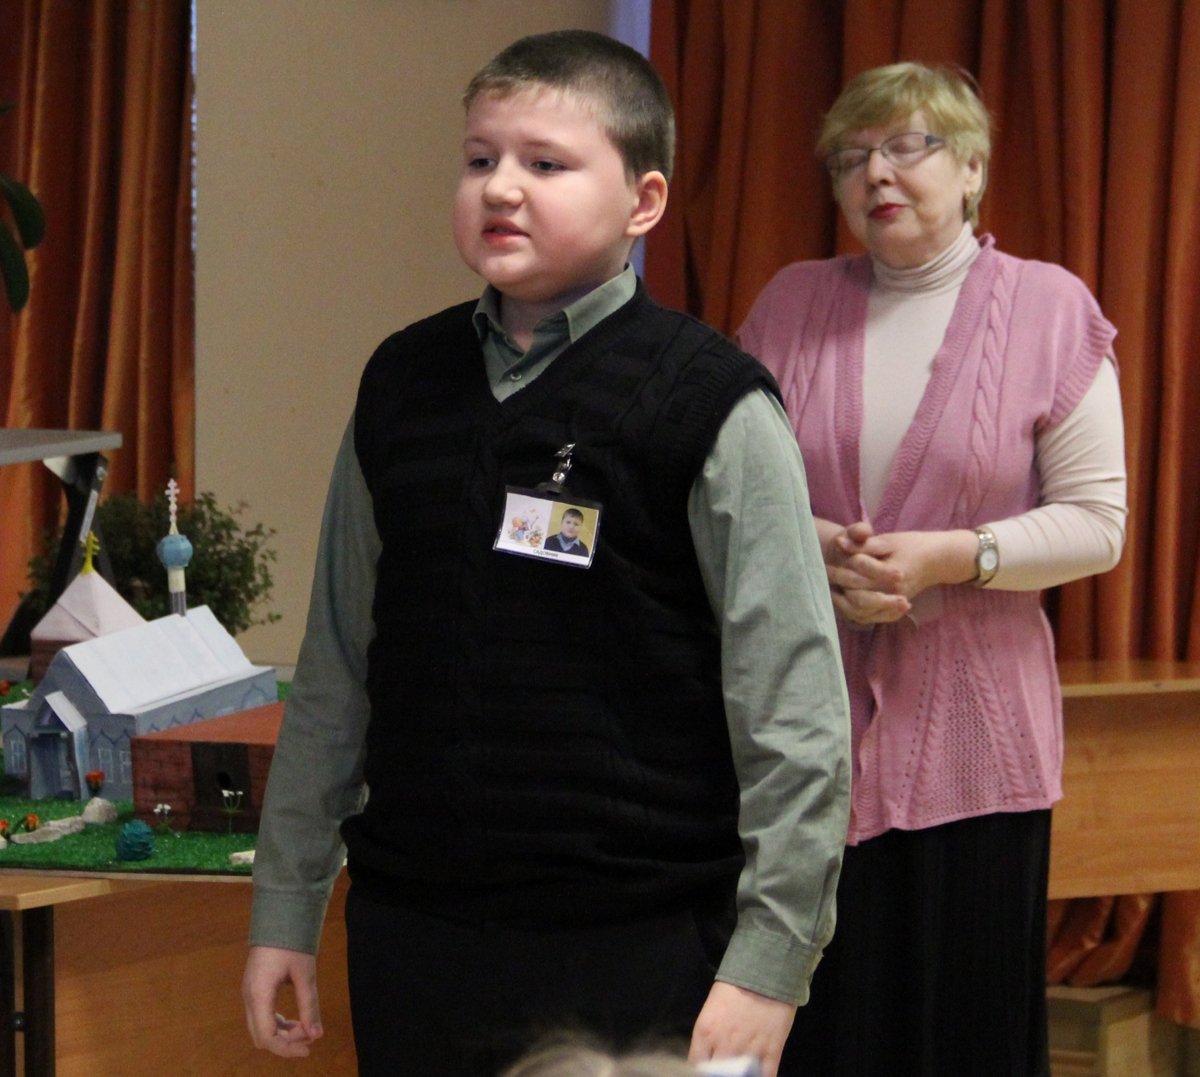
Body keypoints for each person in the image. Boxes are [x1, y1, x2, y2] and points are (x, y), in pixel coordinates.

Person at [241, 29, 850, 1077]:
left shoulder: (713, 401)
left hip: (643, 951)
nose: (501, 187)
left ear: (644, 202)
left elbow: (793, 713)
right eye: (480, 159)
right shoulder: (400, 382)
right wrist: (286, 904)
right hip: (416, 940)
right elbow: (338, 669)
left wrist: (769, 965)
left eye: (547, 163)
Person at [738, 62, 1127, 1076]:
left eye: (907, 146)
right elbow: (732, 497)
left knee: (965, 1040)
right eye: (851, 156)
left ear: (973, 169)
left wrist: (956, 556)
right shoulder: (789, 303)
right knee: (821, 1037)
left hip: (979, 756)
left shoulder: (1049, 306)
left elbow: (1097, 524)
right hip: (803, 742)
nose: (877, 172)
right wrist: (817, 549)